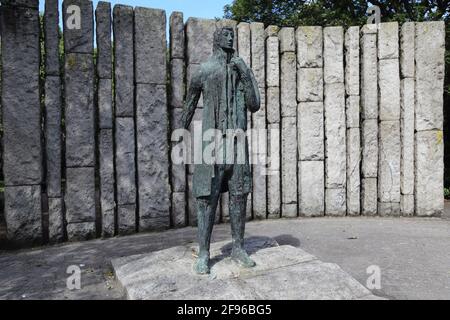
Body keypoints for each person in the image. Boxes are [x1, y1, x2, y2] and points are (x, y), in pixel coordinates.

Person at [182, 26, 261, 274]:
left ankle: (238, 247)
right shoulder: (204, 71)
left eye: (232, 34)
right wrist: (178, 134)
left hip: (237, 141)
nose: (230, 37)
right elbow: (189, 104)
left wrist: (245, 72)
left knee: (239, 194)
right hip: (212, 143)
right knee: (207, 198)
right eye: (225, 34)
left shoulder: (240, 70)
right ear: (216, 39)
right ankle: (204, 253)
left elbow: (254, 104)